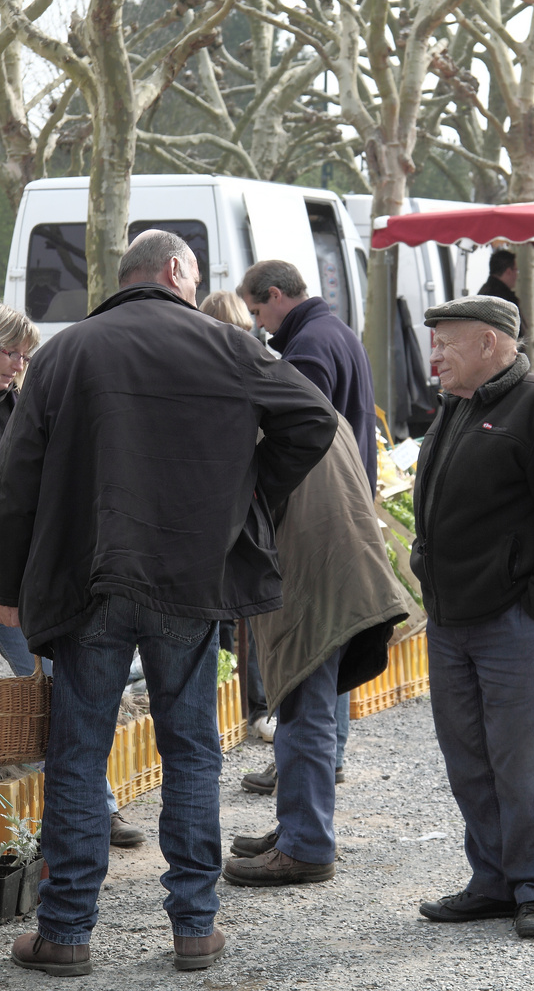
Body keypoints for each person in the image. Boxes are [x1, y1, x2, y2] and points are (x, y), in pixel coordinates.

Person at [0, 231, 337, 976]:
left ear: (124, 278)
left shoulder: (64, 352)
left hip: (87, 579)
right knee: (191, 751)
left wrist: (8, 592)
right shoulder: (227, 346)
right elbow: (314, 420)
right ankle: (194, 926)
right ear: (179, 273)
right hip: (190, 577)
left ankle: (65, 933)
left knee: (79, 755)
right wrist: (249, 494)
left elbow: (15, 483)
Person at [410, 295, 534, 939]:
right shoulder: (459, 405)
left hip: (509, 619)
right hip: (450, 618)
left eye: (446, 342)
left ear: (490, 344)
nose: (434, 354)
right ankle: (492, 881)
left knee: (520, 759)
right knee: (466, 756)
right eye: (433, 341)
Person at [222, 414, 407, 887]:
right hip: (337, 565)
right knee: (307, 708)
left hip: (314, 575)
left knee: (305, 709)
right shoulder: (294, 396)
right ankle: (298, 828)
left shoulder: (252, 414)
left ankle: (305, 845)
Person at [0, 304, 144, 848]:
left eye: (22, 355)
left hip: (12, 578)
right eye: (8, 351)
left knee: (57, 697)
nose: (16, 364)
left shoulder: (21, 406)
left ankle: (97, 812)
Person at [238, 260, 378, 787]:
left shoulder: (310, 346)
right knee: (331, 644)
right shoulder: (336, 330)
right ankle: (326, 756)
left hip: (321, 516)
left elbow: (297, 429)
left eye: (258, 311)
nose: (260, 326)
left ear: (276, 295)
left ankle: (309, 763)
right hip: (348, 502)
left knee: (315, 650)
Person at [199, 291, 275, 741]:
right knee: (246, 608)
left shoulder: (209, 371)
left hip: (218, 511)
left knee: (225, 612)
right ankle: (255, 704)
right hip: (245, 505)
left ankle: (238, 701)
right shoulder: (259, 366)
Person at [479, 249, 528, 339]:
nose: (517, 276)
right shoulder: (503, 298)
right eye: (516, 270)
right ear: (508, 271)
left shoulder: (484, 292)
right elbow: (514, 332)